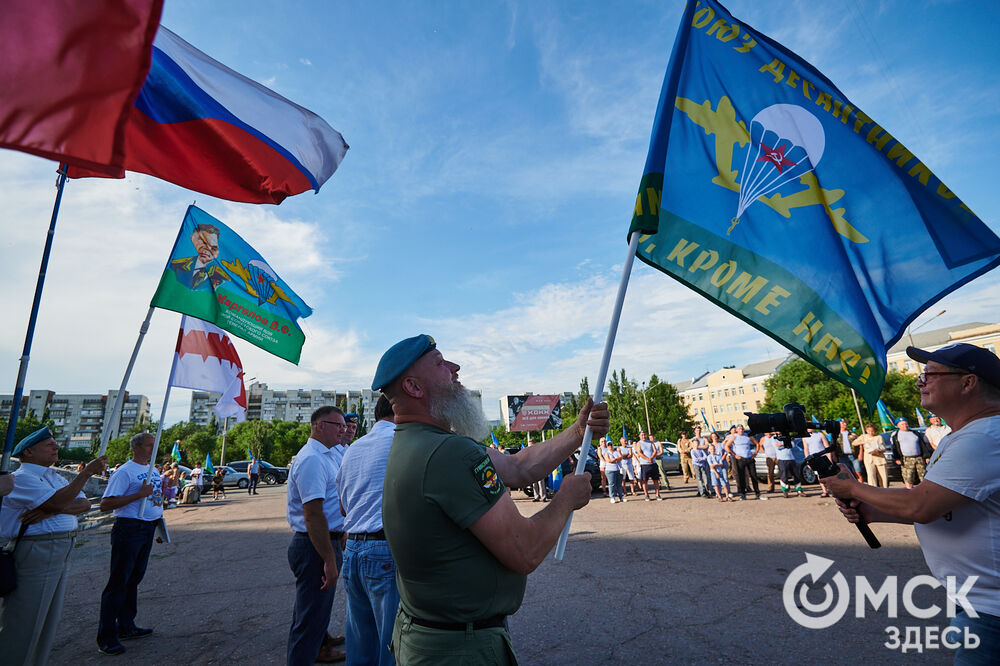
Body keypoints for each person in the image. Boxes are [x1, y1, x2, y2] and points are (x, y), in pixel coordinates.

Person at [374, 335, 608, 664]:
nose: (455, 368)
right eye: (441, 363)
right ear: (414, 387)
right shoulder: (447, 452)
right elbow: (525, 551)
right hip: (457, 650)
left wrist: (576, 430)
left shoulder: (421, 441)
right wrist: (565, 499)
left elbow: (517, 467)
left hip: (432, 637)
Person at [823, 343, 1000, 664]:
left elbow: (919, 505)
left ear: (968, 382)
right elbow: (944, 507)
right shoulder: (960, 436)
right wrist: (873, 510)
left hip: (992, 610)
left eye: (929, 375)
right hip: (978, 600)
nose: (920, 382)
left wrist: (854, 488)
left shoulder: (985, 437)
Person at [0, 427, 106, 666]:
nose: (56, 447)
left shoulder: (53, 477)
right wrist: (86, 473)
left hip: (60, 546)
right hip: (38, 549)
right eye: (49, 444)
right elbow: (61, 500)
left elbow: (83, 504)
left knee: (47, 619)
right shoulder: (23, 477)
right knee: (25, 619)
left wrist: (51, 508)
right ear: (28, 451)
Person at [335, 395, 399, 666]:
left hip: (354, 550)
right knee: (392, 644)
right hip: (384, 549)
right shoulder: (401, 441)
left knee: (360, 644)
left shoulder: (354, 448)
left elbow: (342, 507)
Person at [286, 406, 349, 665]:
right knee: (310, 621)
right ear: (320, 426)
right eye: (338, 425)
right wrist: (329, 560)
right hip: (316, 546)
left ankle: (315, 651)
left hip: (324, 542)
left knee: (311, 614)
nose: (343, 431)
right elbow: (313, 514)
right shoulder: (312, 458)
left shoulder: (328, 453)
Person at [97, 433, 164, 656]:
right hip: (129, 529)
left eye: (155, 446)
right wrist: (138, 495)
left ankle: (126, 625)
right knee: (118, 582)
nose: (153, 450)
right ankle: (107, 637)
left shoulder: (153, 469)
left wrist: (157, 525)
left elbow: (153, 498)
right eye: (149, 446)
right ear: (136, 447)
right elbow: (105, 504)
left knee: (133, 580)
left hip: (146, 528)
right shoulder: (125, 472)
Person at [168, 223, 231, 291]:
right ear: (192, 239)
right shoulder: (176, 265)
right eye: (204, 242)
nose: (207, 249)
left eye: (213, 248)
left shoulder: (221, 277)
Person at [890, 417, 932, 489]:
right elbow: (894, 448)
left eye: (906, 424)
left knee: (923, 476)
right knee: (908, 477)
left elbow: (922, 445)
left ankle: (925, 491)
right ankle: (909, 491)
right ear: (898, 425)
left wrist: (927, 456)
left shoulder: (915, 433)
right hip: (906, 459)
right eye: (902, 424)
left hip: (919, 458)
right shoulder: (896, 436)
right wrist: (896, 458)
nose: (905, 425)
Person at [726, 425, 760, 501]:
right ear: (736, 430)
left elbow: (757, 444)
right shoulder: (734, 437)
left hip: (749, 458)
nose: (741, 430)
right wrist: (734, 455)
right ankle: (743, 494)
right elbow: (727, 446)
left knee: (754, 476)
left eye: (742, 428)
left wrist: (755, 453)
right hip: (740, 459)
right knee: (741, 477)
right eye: (739, 429)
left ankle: (757, 493)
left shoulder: (747, 436)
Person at [855, 423, 888, 488]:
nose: (870, 432)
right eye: (869, 431)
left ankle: (884, 489)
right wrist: (863, 442)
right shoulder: (863, 437)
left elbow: (884, 448)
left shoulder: (879, 437)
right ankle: (873, 490)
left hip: (880, 458)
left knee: (883, 476)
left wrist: (878, 451)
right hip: (869, 459)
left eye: (872, 431)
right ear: (866, 430)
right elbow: (854, 443)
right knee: (871, 475)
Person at [803, 428, 832, 497]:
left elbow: (827, 446)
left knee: (829, 474)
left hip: (823, 457)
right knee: (819, 475)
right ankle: (824, 491)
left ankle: (832, 489)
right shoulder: (805, 437)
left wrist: (829, 457)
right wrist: (807, 461)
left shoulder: (820, 434)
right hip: (813, 458)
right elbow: (806, 449)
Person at [635, 431, 663, 500]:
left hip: (653, 463)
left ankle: (657, 494)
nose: (643, 436)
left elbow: (655, 450)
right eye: (642, 435)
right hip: (644, 465)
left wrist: (651, 457)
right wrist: (647, 459)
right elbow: (639, 452)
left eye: (644, 435)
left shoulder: (650, 442)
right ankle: (646, 495)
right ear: (639, 436)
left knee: (656, 480)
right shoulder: (639, 443)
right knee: (645, 481)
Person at [601, 438, 624, 504]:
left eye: (611, 445)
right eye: (609, 445)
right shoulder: (606, 453)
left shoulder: (617, 452)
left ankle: (621, 497)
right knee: (612, 484)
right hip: (610, 470)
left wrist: (614, 459)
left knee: (619, 484)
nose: (610, 446)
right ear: (607, 446)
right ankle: (612, 497)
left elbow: (621, 458)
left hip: (618, 469)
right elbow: (609, 460)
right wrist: (616, 459)